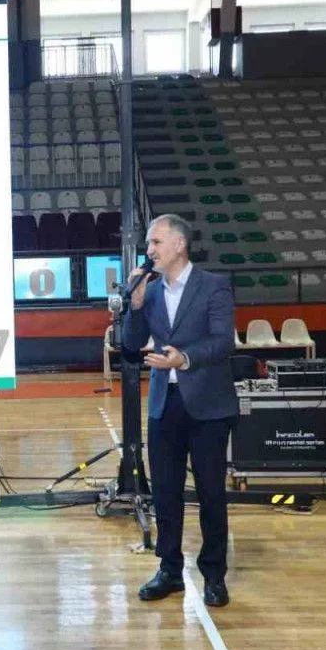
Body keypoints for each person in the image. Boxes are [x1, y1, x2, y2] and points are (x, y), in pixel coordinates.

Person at [122, 213, 239, 607]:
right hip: (164, 404)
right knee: (165, 493)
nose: (149, 250)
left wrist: (183, 358)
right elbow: (131, 345)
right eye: (149, 243)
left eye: (156, 242)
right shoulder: (151, 291)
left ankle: (214, 575)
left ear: (179, 245)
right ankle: (170, 570)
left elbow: (223, 342)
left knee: (211, 494)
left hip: (208, 406)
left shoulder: (214, 286)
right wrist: (136, 305)